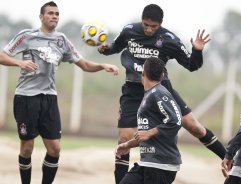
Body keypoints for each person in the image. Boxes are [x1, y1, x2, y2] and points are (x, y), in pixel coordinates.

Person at [98, 3, 226, 183]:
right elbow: (115, 46)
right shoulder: (129, 30)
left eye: (154, 26)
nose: (149, 30)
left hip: (161, 88)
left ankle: (228, 159)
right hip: (133, 89)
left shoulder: (169, 39)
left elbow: (192, 65)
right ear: (141, 21)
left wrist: (197, 51)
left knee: (194, 126)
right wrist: (105, 49)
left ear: (161, 24)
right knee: (124, 139)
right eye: (146, 25)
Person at [0, 1, 119, 184]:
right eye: (50, 13)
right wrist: (19, 63)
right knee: (27, 148)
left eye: (57, 13)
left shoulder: (62, 40)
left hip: (49, 98)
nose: (54, 16)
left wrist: (102, 65)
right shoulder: (27, 36)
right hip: (26, 97)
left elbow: (85, 64)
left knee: (55, 149)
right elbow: (2, 55)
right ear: (41, 17)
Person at [115, 57, 182, 184]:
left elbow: (176, 120)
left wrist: (149, 133)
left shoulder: (159, 93)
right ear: (162, 75)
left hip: (161, 165)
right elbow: (145, 134)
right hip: (146, 162)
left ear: (143, 73)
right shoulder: (150, 94)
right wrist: (127, 145)